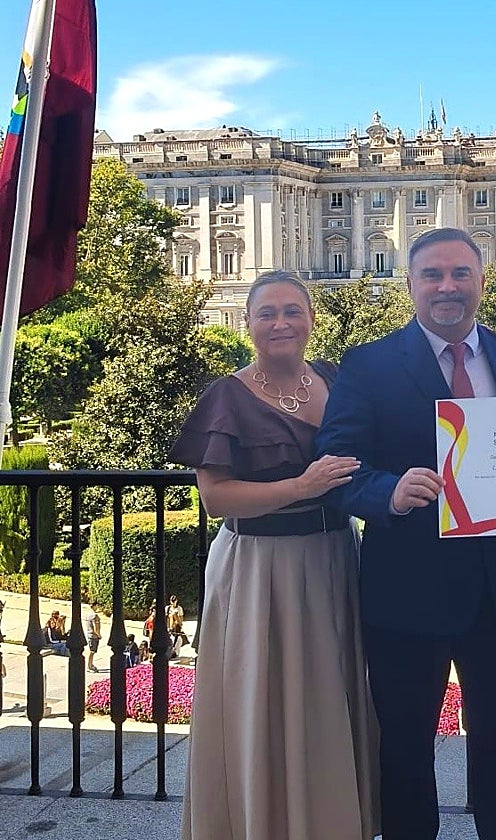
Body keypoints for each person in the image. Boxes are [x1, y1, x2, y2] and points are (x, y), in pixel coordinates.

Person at [317, 228, 496, 840]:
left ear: (481, 283)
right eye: (433, 275)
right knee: (407, 750)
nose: (447, 287)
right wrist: (386, 491)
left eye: (461, 274)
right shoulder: (368, 364)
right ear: (409, 284)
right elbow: (337, 463)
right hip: (406, 594)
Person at [169, 270, 378, 840]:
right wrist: (299, 488)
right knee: (261, 704)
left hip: (334, 557)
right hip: (261, 567)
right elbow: (214, 498)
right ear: (249, 323)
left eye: (292, 311)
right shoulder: (227, 394)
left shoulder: (335, 380)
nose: (281, 323)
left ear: (312, 318)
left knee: (325, 701)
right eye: (268, 313)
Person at [85, 602, 102, 672]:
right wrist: (99, 635)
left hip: (89, 634)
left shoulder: (88, 614)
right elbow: (96, 627)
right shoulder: (95, 616)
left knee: (92, 651)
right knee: (92, 651)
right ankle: (89, 666)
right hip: (94, 636)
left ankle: (90, 664)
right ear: (94, 606)